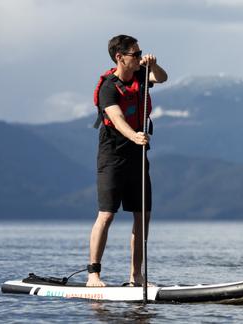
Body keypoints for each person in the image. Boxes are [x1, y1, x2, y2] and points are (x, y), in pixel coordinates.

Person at [87, 35, 168, 287]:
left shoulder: (142, 74)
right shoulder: (108, 87)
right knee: (107, 215)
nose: (139, 56)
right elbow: (117, 118)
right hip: (113, 155)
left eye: (140, 51)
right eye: (135, 53)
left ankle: (136, 276)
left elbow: (162, 78)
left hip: (137, 155)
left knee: (142, 215)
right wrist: (134, 135)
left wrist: (153, 65)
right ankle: (93, 274)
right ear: (119, 57)